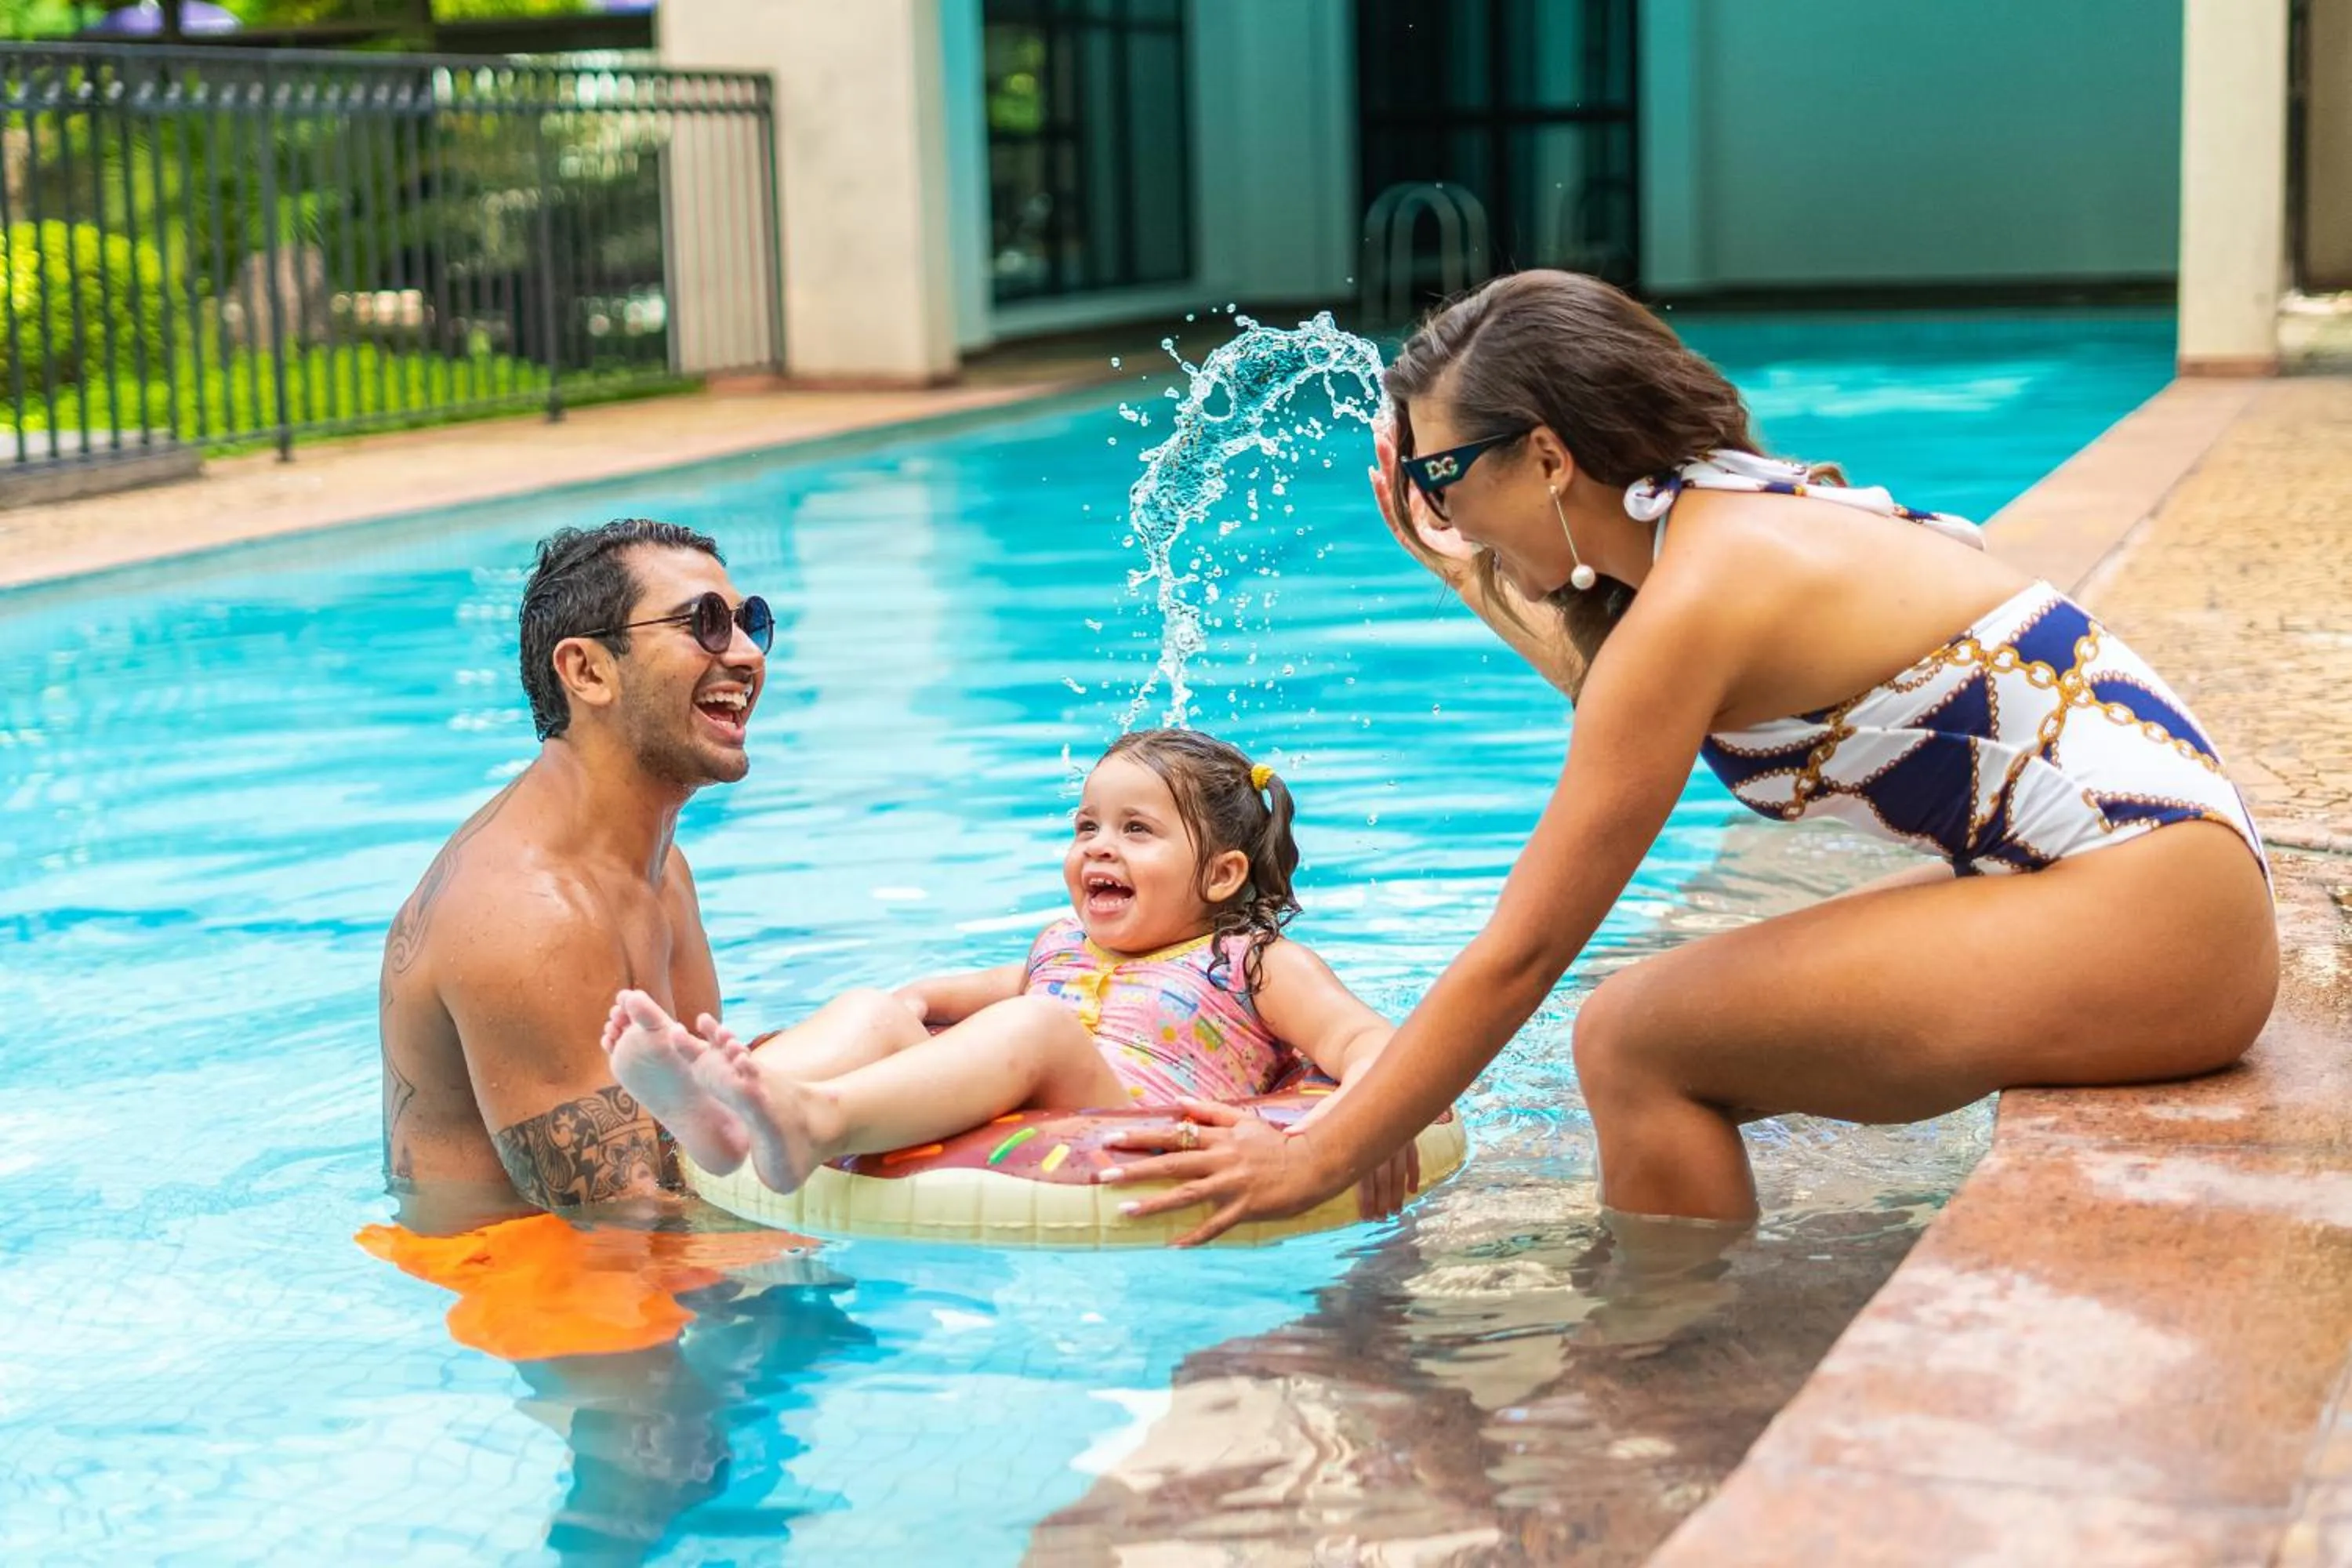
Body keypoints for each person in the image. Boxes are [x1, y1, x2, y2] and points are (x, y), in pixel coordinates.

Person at [1100, 269, 2278, 1246]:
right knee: (1658, 1025)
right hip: (2163, 889)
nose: (1444, 514)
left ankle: (1671, 1373)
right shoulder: (1721, 518)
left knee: (1633, 1038)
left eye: (1446, 476)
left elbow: (1523, 953)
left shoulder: (1700, 595)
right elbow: (1631, 703)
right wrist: (1469, 574)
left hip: (2161, 923)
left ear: (1549, 458)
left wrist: (1319, 1155)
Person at [605, 729, 1421, 1217]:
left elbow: (1371, 1044)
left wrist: (1360, 1127)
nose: (1098, 848)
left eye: (1136, 830)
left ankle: (820, 1120)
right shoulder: (1058, 946)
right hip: (1033, 1102)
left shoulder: (1254, 962)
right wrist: (891, 1015)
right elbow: (938, 997)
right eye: (1086, 826)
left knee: (1037, 1023)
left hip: (1128, 1120)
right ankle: (727, 1112)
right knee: (879, 1006)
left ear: (1220, 874)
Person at [378, 517, 774, 1217]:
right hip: (523, 1268)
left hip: (620, 1237)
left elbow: (697, 1117)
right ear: (587, 671)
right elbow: (622, 1224)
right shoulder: (530, 914)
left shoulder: (658, 865)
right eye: (704, 624)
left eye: (751, 623)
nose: (745, 654)